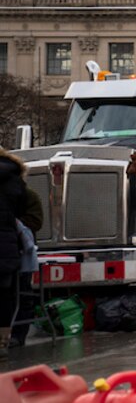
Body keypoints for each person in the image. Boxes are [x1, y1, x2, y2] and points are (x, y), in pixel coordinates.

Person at [0, 148, 31, 357]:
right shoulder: (14, 178)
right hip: (6, 246)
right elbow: (22, 210)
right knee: (4, 296)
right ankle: (2, 342)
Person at [10, 188, 43, 349]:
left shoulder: (26, 195)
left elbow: (36, 221)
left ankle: (17, 335)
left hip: (21, 253)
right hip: (17, 252)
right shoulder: (26, 194)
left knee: (21, 295)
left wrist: (14, 224)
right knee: (20, 296)